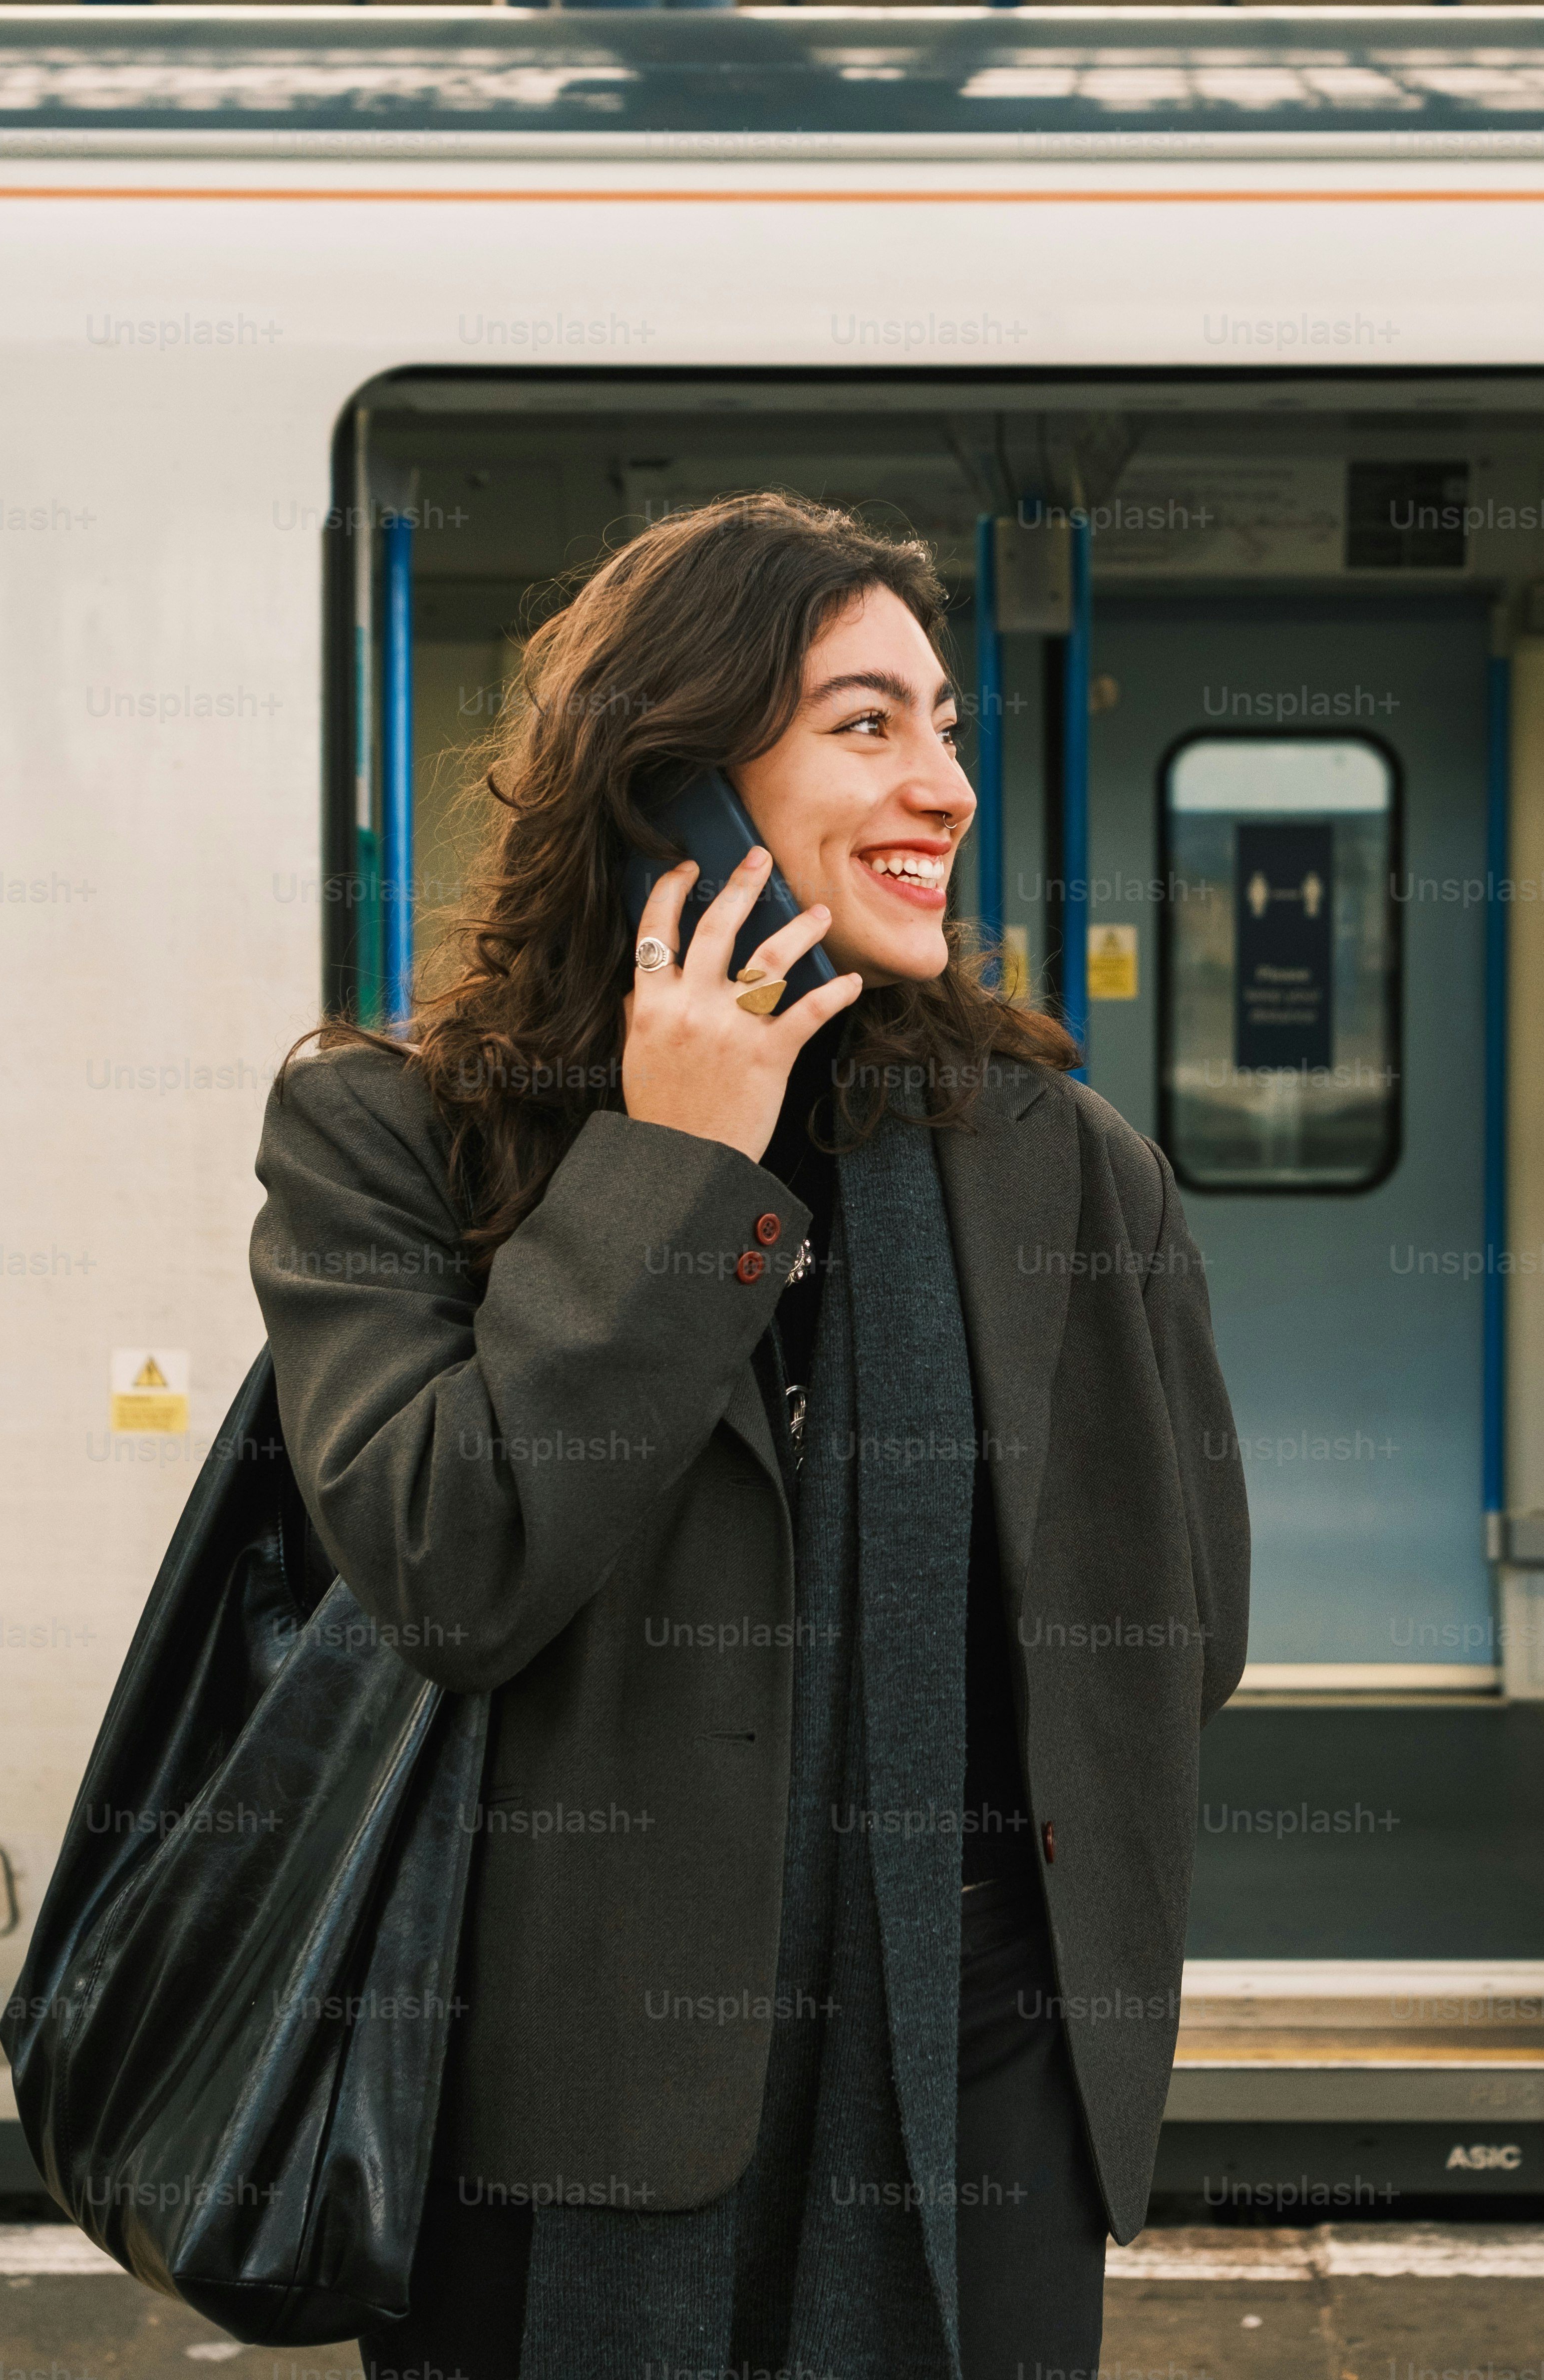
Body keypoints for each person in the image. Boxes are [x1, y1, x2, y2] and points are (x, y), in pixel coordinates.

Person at [247, 490, 1250, 2380]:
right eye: (866, 725)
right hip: (555, 2102)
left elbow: (1180, 1630)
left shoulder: (1057, 1162)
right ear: (673, 783)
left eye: (945, 725)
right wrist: (675, 1170)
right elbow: (451, 1565)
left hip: (970, 2086)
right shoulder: (391, 1138)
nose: (943, 783)